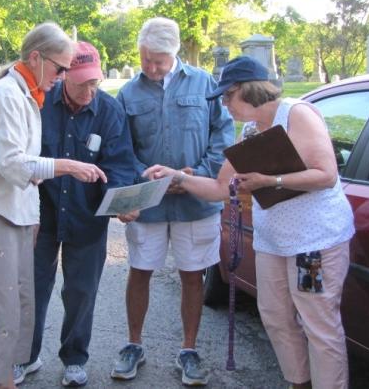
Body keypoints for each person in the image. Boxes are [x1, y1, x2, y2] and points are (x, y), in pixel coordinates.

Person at [144, 56, 355, 389]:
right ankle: (298, 382)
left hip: (314, 242)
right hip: (273, 241)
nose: (225, 106)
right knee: (274, 315)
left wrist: (270, 182)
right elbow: (217, 188)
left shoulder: (296, 114)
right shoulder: (252, 130)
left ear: (246, 90)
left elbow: (326, 175)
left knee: (318, 323)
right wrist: (176, 177)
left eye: (228, 97)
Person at [0, 23, 107, 389]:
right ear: (36, 58)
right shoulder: (8, 96)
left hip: (16, 215)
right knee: (1, 315)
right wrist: (67, 166)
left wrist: (33, 215)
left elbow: (27, 169)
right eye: (60, 68)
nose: (62, 78)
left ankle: (9, 374)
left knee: (21, 308)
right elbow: (14, 165)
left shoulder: (28, 94)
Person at [110, 17, 234, 386]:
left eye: (158, 61)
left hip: (195, 200)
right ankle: (133, 345)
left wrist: (194, 174)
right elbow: (121, 147)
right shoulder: (129, 93)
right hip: (148, 202)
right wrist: (143, 174)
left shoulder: (205, 85)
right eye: (145, 59)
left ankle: (189, 349)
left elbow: (223, 137)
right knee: (140, 270)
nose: (150, 67)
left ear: (175, 53)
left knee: (192, 274)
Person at [13, 41, 136, 387]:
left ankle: (74, 358)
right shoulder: (38, 103)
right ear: (64, 75)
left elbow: (120, 164)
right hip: (42, 214)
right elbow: (22, 158)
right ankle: (25, 356)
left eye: (94, 82)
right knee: (32, 287)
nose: (89, 90)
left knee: (82, 291)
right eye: (82, 82)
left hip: (87, 216)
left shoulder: (110, 111)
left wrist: (123, 202)